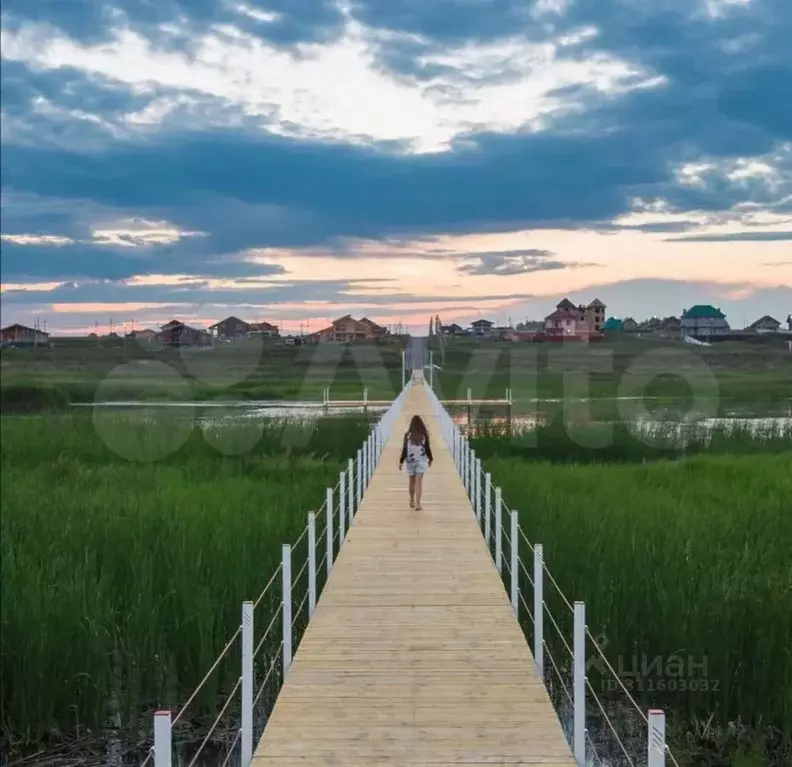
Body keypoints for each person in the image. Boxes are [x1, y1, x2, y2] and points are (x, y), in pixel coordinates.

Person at [398, 415, 433, 510]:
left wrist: (401, 461)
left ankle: (411, 500)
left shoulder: (407, 435)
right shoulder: (424, 435)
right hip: (421, 461)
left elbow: (405, 449)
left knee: (411, 481)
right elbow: (427, 448)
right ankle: (418, 503)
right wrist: (431, 458)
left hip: (410, 461)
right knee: (418, 483)